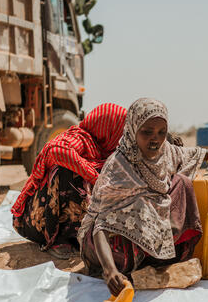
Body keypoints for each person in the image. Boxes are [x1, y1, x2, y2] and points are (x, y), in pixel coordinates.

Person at [78, 98, 208, 296]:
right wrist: (109, 271)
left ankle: (160, 257)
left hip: (146, 234)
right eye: (147, 132)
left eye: (162, 132)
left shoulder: (165, 152)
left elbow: (195, 153)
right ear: (132, 130)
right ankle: (128, 265)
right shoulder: (119, 166)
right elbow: (100, 225)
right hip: (108, 242)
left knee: (182, 183)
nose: (155, 139)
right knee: (135, 216)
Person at [12, 103, 128, 258]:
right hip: (36, 221)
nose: (122, 138)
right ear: (108, 129)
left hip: (67, 224)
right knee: (67, 170)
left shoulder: (109, 153)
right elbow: (57, 151)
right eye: (120, 132)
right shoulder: (80, 138)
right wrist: (94, 178)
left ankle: (80, 237)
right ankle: (60, 239)